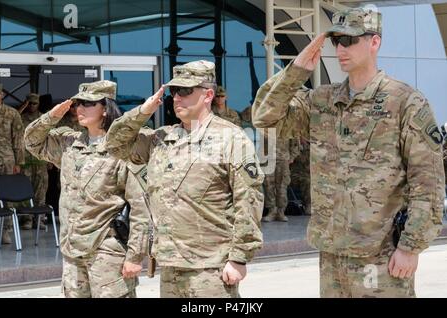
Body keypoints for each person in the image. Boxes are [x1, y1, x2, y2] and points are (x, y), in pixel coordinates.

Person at [252, 7, 444, 297]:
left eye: (350, 40)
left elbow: (427, 184)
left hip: (381, 256)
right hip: (332, 256)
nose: (341, 48)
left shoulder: (405, 102)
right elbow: (264, 117)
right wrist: (296, 71)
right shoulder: (322, 100)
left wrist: (410, 247)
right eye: (336, 41)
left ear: (374, 42)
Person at [105, 60, 264, 298]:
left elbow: (248, 199)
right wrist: (143, 111)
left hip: (210, 268)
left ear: (208, 94)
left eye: (185, 91)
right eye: (173, 91)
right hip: (170, 265)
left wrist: (239, 257)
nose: (176, 97)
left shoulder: (231, 138)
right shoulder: (161, 138)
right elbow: (115, 144)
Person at [24, 80, 149, 298]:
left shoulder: (122, 148)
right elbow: (32, 141)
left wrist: (135, 256)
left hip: (106, 251)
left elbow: (140, 206)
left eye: (88, 104)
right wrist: (52, 116)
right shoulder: (69, 143)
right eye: (78, 103)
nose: (79, 109)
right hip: (72, 250)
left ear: (105, 108)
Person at [0, 83, 25, 244]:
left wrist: (19, 162)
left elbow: (18, 140)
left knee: (7, 196)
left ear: (1, 95)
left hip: (6, 159)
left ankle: (5, 230)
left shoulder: (11, 113)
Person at [19, 93, 49, 230]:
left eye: (34, 103)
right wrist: (22, 107)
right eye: (29, 103)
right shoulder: (21, 117)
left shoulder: (44, 118)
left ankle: (40, 219)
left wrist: (51, 160)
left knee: (40, 191)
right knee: (26, 191)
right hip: (26, 160)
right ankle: (27, 219)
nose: (32, 106)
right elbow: (9, 118)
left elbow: (50, 138)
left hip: (40, 159)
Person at [260, 130, 299, 222]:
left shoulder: (288, 126)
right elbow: (261, 143)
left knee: (282, 185)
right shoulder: (266, 125)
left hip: (283, 159)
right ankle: (272, 211)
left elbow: (295, 143)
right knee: (269, 185)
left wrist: (292, 157)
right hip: (268, 159)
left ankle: (281, 211)